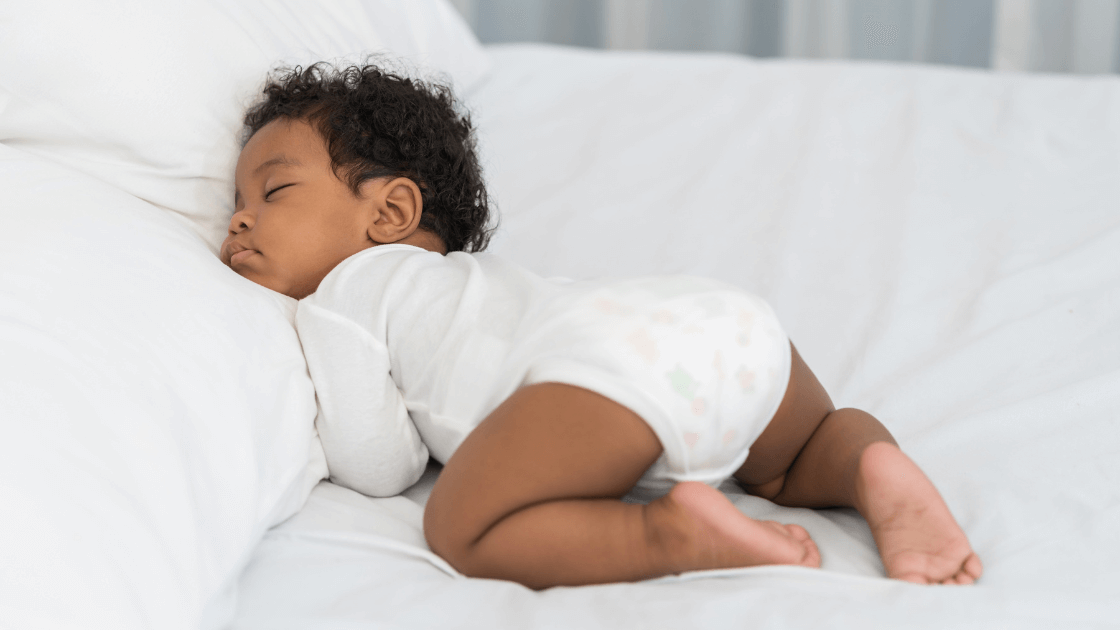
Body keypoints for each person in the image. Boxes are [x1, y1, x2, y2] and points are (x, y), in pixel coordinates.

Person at [221, 61, 982, 590]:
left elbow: (378, 467)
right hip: (722, 326)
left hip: (603, 374)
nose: (241, 219)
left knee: (462, 528)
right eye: (235, 204)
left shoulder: (345, 297)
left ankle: (666, 537)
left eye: (275, 189)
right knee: (792, 461)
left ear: (390, 213)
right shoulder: (479, 284)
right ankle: (868, 465)